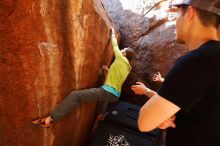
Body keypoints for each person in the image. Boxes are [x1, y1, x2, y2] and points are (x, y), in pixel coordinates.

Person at [137, 0, 220, 146]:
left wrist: (163, 115)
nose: (176, 20)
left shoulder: (198, 61)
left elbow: (145, 122)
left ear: (190, 13)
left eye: (178, 13)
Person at [32, 28, 135, 127]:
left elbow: (115, 45)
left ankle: (50, 119)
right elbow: (118, 79)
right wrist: (108, 71)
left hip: (107, 92)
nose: (121, 50)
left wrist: (112, 33)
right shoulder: (128, 68)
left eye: (123, 50)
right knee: (105, 95)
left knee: (75, 96)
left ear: (124, 53)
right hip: (115, 96)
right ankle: (101, 115)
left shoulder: (120, 57)